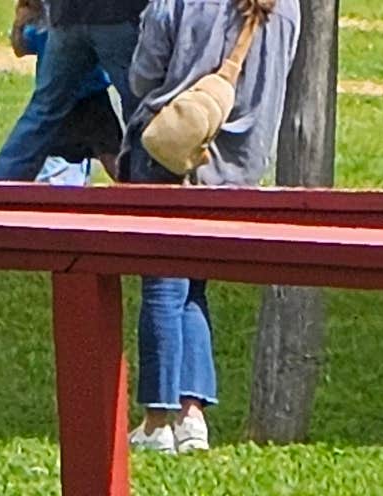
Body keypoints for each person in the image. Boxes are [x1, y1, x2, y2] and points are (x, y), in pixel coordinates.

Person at [117, 0, 298, 451]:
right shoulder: (289, 8)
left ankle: (157, 422)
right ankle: (191, 416)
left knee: (162, 286)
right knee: (193, 286)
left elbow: (143, 76)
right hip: (236, 169)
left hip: (172, 149)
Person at [0, 0, 140, 180]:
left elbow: (22, 45)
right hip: (118, 15)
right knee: (141, 107)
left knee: (43, 110)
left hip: (67, 16)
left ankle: (3, 184)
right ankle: (150, 186)